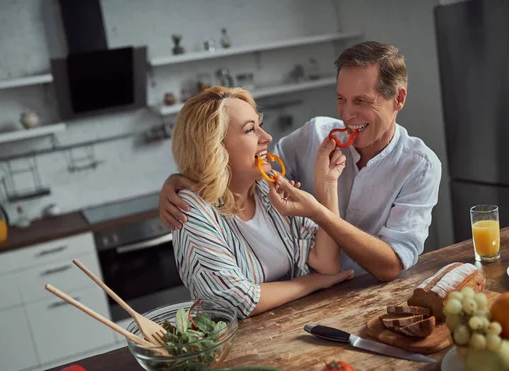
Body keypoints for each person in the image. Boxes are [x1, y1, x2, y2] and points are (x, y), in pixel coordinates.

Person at [160, 41, 442, 282]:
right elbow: (244, 171)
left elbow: (391, 265)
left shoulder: (420, 166)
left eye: (362, 102)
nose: (347, 114)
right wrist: (178, 180)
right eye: (342, 99)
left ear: (398, 99)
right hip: (306, 301)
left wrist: (321, 214)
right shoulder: (313, 135)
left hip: (373, 294)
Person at [170, 86, 354, 319]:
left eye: (260, 125)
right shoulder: (190, 209)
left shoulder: (269, 187)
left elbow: (327, 264)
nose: (267, 138)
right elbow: (239, 301)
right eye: (250, 130)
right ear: (214, 147)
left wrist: (327, 186)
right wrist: (315, 282)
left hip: (297, 328)